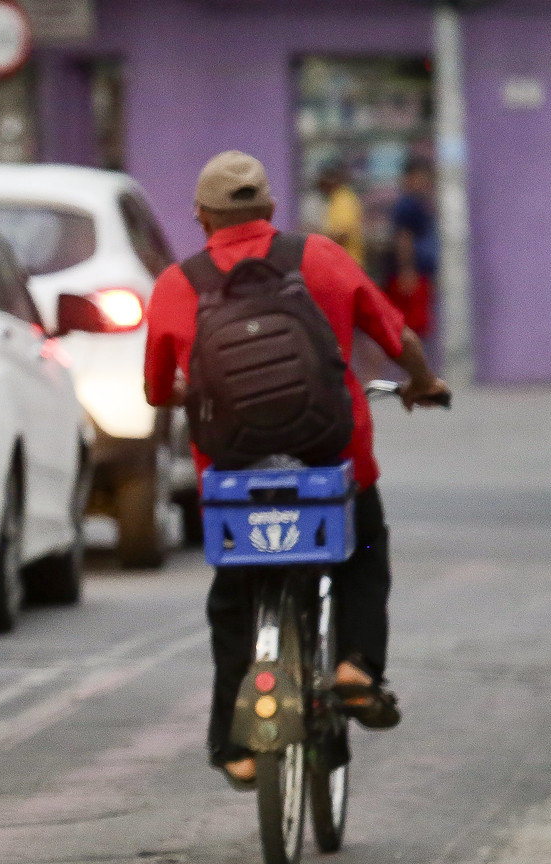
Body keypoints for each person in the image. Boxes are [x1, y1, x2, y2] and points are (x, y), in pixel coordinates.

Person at [142, 149, 450, 790]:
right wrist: (422, 383)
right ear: (272, 210)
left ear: (201, 215)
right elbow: (401, 341)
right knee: (363, 546)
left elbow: (155, 391)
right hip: (331, 459)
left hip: (230, 472)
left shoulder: (179, 284)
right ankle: (355, 669)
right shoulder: (321, 259)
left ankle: (240, 748)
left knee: (234, 601)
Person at [387, 155, 438, 338]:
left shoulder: (419, 204)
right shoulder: (407, 205)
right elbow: (404, 238)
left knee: (419, 328)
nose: (424, 182)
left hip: (420, 273)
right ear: (409, 178)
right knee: (407, 329)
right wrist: (407, 270)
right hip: (412, 275)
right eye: (420, 177)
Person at [314, 162, 366, 263]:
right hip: (340, 263)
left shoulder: (343, 199)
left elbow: (342, 236)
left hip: (348, 264)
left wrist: (314, 239)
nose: (320, 183)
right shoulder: (334, 198)